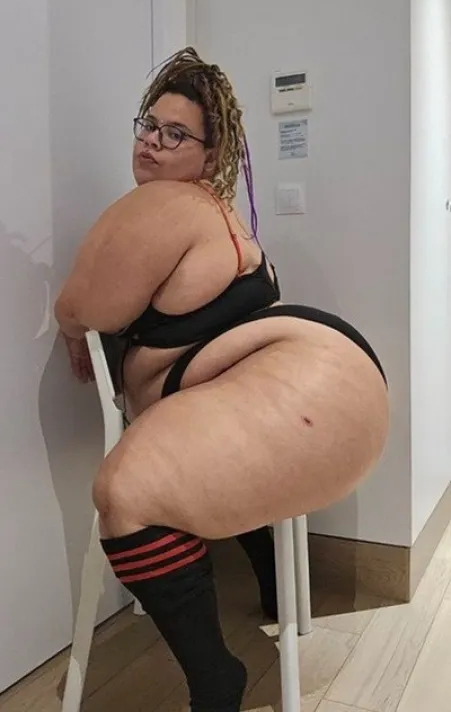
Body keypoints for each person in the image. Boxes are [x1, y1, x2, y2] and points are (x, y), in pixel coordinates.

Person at [55, 47, 389, 712]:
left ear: (210, 158)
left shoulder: (162, 205)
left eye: (175, 134)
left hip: (304, 388)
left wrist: (69, 330)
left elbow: (81, 308)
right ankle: (271, 585)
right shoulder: (222, 217)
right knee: (206, 451)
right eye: (148, 125)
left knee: (124, 494)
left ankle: (216, 681)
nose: (153, 143)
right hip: (334, 386)